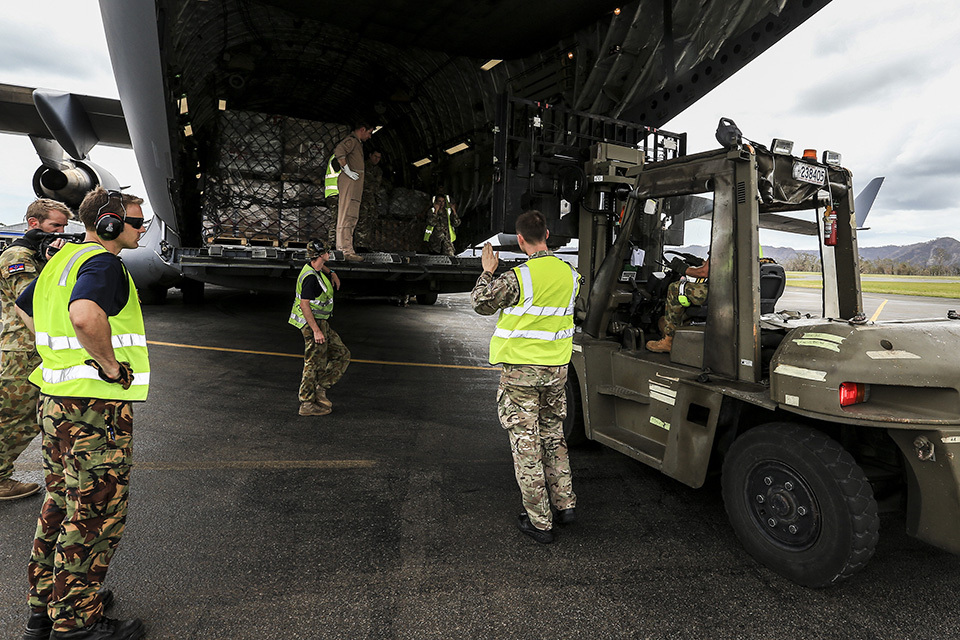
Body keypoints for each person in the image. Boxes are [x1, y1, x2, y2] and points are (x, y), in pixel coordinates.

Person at [15, 187, 149, 640]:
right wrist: (109, 366)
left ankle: (46, 607)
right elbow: (85, 315)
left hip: (56, 403)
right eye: (136, 221)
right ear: (109, 223)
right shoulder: (103, 263)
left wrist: (57, 356)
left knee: (60, 501)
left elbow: (25, 306)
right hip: (93, 408)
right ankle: (76, 621)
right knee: (95, 511)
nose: (141, 229)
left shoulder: (62, 260)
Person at [471, 210, 579, 544]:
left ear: (520, 240)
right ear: (547, 234)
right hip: (556, 371)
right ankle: (565, 504)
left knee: (526, 444)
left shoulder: (518, 278)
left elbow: (480, 303)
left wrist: (487, 272)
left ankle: (540, 522)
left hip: (522, 374)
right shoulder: (571, 274)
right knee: (553, 435)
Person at [0, 199, 73, 502]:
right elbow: (32, 299)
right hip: (21, 351)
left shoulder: (36, 254)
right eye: (55, 225)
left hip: (33, 348)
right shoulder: (18, 255)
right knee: (17, 418)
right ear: (34, 223)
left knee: (39, 416)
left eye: (64, 227)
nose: (60, 233)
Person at [289, 239, 350, 417]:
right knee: (313, 363)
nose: (329, 253)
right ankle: (307, 403)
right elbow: (304, 305)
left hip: (321, 322)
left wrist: (332, 272)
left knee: (342, 354)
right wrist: (316, 330)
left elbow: (319, 267)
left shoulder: (316, 267)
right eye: (327, 252)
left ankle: (320, 388)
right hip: (312, 324)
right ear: (320, 255)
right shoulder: (310, 278)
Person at [646, 258, 710, 353]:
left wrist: (683, 268)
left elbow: (703, 272)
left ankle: (669, 340)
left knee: (675, 289)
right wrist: (700, 262)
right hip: (725, 291)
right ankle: (683, 324)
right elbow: (714, 264)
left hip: (715, 292)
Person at [331, 122, 375, 260]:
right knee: (347, 216)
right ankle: (345, 250)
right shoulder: (351, 141)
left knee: (351, 216)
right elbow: (339, 151)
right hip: (350, 184)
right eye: (369, 132)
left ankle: (346, 248)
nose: (370, 136)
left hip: (354, 186)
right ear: (362, 129)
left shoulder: (357, 143)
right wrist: (347, 170)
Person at [356, 150, 384, 251]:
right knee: (362, 221)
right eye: (375, 156)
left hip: (371, 200)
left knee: (370, 222)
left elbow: (377, 186)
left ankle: (367, 245)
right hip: (362, 197)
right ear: (370, 155)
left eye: (379, 158)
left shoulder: (378, 171)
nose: (377, 159)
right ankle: (359, 245)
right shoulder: (362, 166)